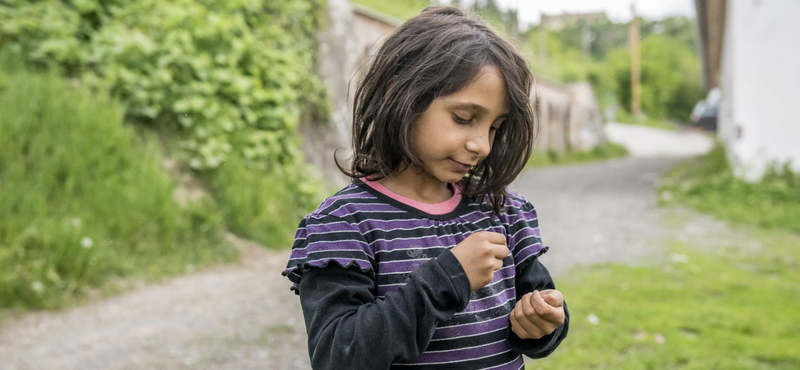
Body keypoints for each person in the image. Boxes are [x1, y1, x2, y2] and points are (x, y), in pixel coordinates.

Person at [282, 5, 569, 370]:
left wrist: (542, 323)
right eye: (463, 118)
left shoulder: (504, 212)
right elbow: (339, 355)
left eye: (494, 127)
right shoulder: (344, 225)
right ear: (398, 94)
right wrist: (448, 278)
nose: (481, 143)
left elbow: (538, 319)